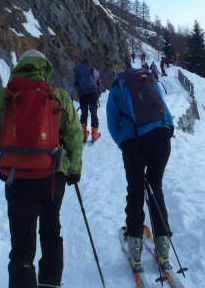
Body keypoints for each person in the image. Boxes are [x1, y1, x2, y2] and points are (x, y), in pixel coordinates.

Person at [0, 50, 83, 288]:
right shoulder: (59, 97)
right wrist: (74, 168)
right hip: (52, 180)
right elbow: (75, 136)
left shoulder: (4, 97)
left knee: (22, 246)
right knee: (51, 234)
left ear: (19, 68)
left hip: (16, 181)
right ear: (45, 69)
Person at [106, 67, 175, 273]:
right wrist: (167, 131)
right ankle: (163, 245)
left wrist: (123, 143)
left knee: (136, 191)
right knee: (156, 188)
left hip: (134, 142)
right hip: (162, 137)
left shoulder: (118, 87)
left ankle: (135, 247)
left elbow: (112, 122)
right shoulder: (150, 81)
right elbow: (163, 108)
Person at [74, 58, 100, 142]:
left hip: (82, 96)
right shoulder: (91, 70)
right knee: (94, 113)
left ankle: (84, 134)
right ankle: (94, 134)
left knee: (84, 114)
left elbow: (76, 85)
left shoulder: (78, 72)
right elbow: (97, 79)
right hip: (92, 94)